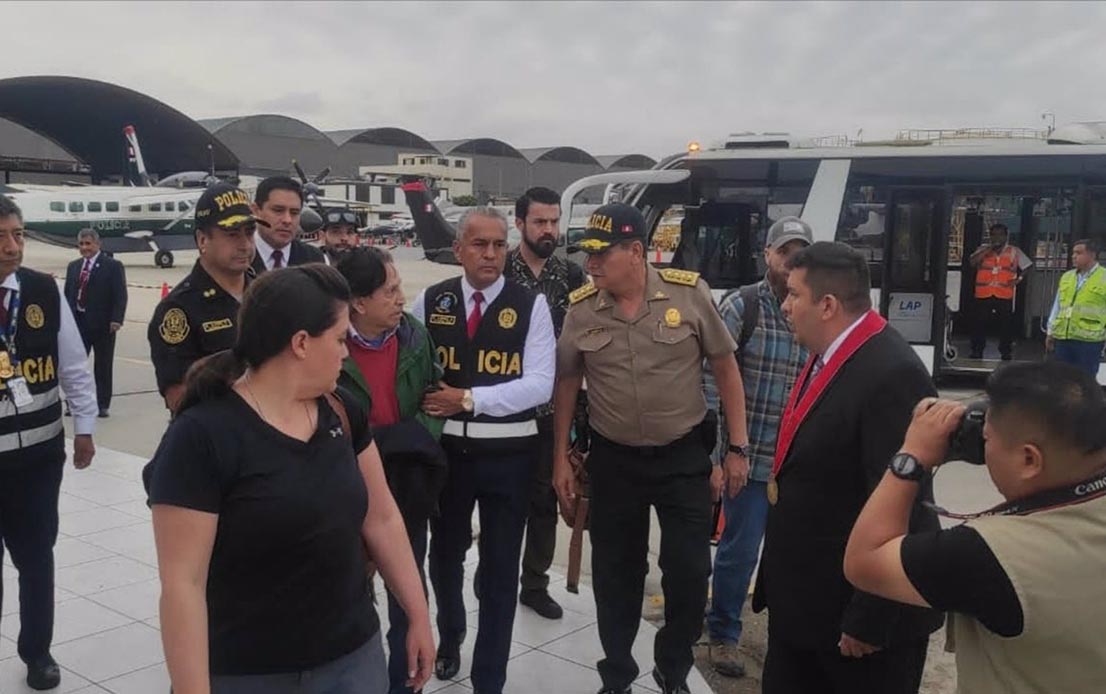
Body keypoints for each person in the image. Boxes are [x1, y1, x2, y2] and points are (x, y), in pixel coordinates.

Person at [147, 264, 435, 694]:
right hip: (247, 673)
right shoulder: (202, 435)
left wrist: (418, 615)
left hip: (351, 661)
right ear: (301, 343)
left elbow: (382, 518)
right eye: (339, 340)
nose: (345, 353)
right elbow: (182, 585)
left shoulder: (341, 410)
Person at [553, 203, 750, 694]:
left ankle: (672, 667)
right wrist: (560, 457)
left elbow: (725, 368)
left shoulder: (689, 294)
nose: (590, 263)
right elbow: (567, 380)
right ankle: (617, 674)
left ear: (636, 252)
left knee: (689, 573)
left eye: (601, 254)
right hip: (614, 460)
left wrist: (737, 448)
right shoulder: (582, 308)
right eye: (587, 254)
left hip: (682, 457)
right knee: (616, 574)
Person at [845, 360, 1106, 694]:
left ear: (1029, 460)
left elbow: (864, 561)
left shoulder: (992, 554)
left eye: (987, 438)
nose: (984, 449)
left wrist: (911, 456)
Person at [751, 241, 943, 694]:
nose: (785, 306)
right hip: (806, 605)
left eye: (794, 294)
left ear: (828, 306)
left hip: (854, 626)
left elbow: (904, 503)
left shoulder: (891, 373)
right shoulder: (828, 355)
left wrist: (870, 617)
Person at [411, 207, 555, 694]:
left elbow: (539, 384)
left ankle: (490, 678)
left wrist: (470, 399)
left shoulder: (530, 304)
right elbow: (409, 363)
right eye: (479, 244)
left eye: (498, 245)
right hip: (447, 457)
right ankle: (450, 635)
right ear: (458, 250)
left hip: (510, 457)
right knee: (444, 556)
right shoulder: (432, 300)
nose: (490, 254)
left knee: (500, 569)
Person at [334, 246, 446, 694]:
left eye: (399, 287)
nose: (401, 298)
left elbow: (436, 398)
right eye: (390, 291)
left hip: (405, 486)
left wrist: (410, 441)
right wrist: (367, 452)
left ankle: (405, 683)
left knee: (408, 591)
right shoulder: (330, 345)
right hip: (347, 490)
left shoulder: (415, 336)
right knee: (348, 595)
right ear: (358, 303)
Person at [702, 216, 811, 678]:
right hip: (748, 459)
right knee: (739, 552)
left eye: (800, 251)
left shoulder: (813, 310)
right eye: (784, 250)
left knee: (791, 556)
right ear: (767, 254)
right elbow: (711, 385)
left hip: (796, 465)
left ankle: (788, 635)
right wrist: (723, 455)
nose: (791, 259)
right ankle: (723, 634)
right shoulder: (741, 307)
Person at [0, 196, 98, 691]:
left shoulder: (43, 290)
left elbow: (73, 363)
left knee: (37, 557)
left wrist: (85, 426)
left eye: (18, 234)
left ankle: (37, 651)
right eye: (1, 237)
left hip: (39, 457)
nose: (12, 246)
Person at [504, 186, 586, 621]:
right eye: (540, 222)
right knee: (500, 497)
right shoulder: (499, 269)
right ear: (520, 223)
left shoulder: (571, 276)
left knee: (544, 500)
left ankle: (534, 583)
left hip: (551, 412)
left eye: (554, 221)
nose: (549, 229)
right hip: (503, 408)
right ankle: (495, 573)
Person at [148, 183, 256, 414]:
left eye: (249, 232)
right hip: (218, 431)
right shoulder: (178, 309)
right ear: (202, 240)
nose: (245, 244)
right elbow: (178, 398)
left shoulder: (266, 294)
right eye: (232, 234)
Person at [63, 229, 127, 417]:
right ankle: (74, 403)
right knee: (75, 367)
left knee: (103, 366)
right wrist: (66, 320)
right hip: (78, 323)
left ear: (98, 245)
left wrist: (117, 319)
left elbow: (120, 294)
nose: (84, 248)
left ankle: (102, 404)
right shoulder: (73, 267)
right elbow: (68, 294)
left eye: (88, 244)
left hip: (103, 325)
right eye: (81, 244)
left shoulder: (112, 266)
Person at [969, 223, 1032, 360]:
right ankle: (977, 350)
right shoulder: (982, 249)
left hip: (1004, 293)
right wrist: (988, 249)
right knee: (979, 323)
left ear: (1006, 236)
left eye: (1000, 235)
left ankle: (1005, 351)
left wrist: (1018, 279)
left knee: (1006, 325)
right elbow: (972, 262)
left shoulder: (1014, 251)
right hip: (984, 293)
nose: (997, 238)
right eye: (994, 235)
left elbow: (1027, 266)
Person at [1045, 238, 1106, 376]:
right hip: (1063, 337)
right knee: (1061, 379)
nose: (1073, 256)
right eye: (1073, 253)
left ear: (1092, 255)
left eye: (1078, 253)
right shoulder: (1067, 276)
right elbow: (1057, 306)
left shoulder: (1104, 277)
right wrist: (1050, 331)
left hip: (1088, 340)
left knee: (1085, 380)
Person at [249, 176, 325, 273]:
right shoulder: (239, 255)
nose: (287, 220)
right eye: (278, 210)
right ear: (256, 210)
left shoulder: (313, 258)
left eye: (294, 213)